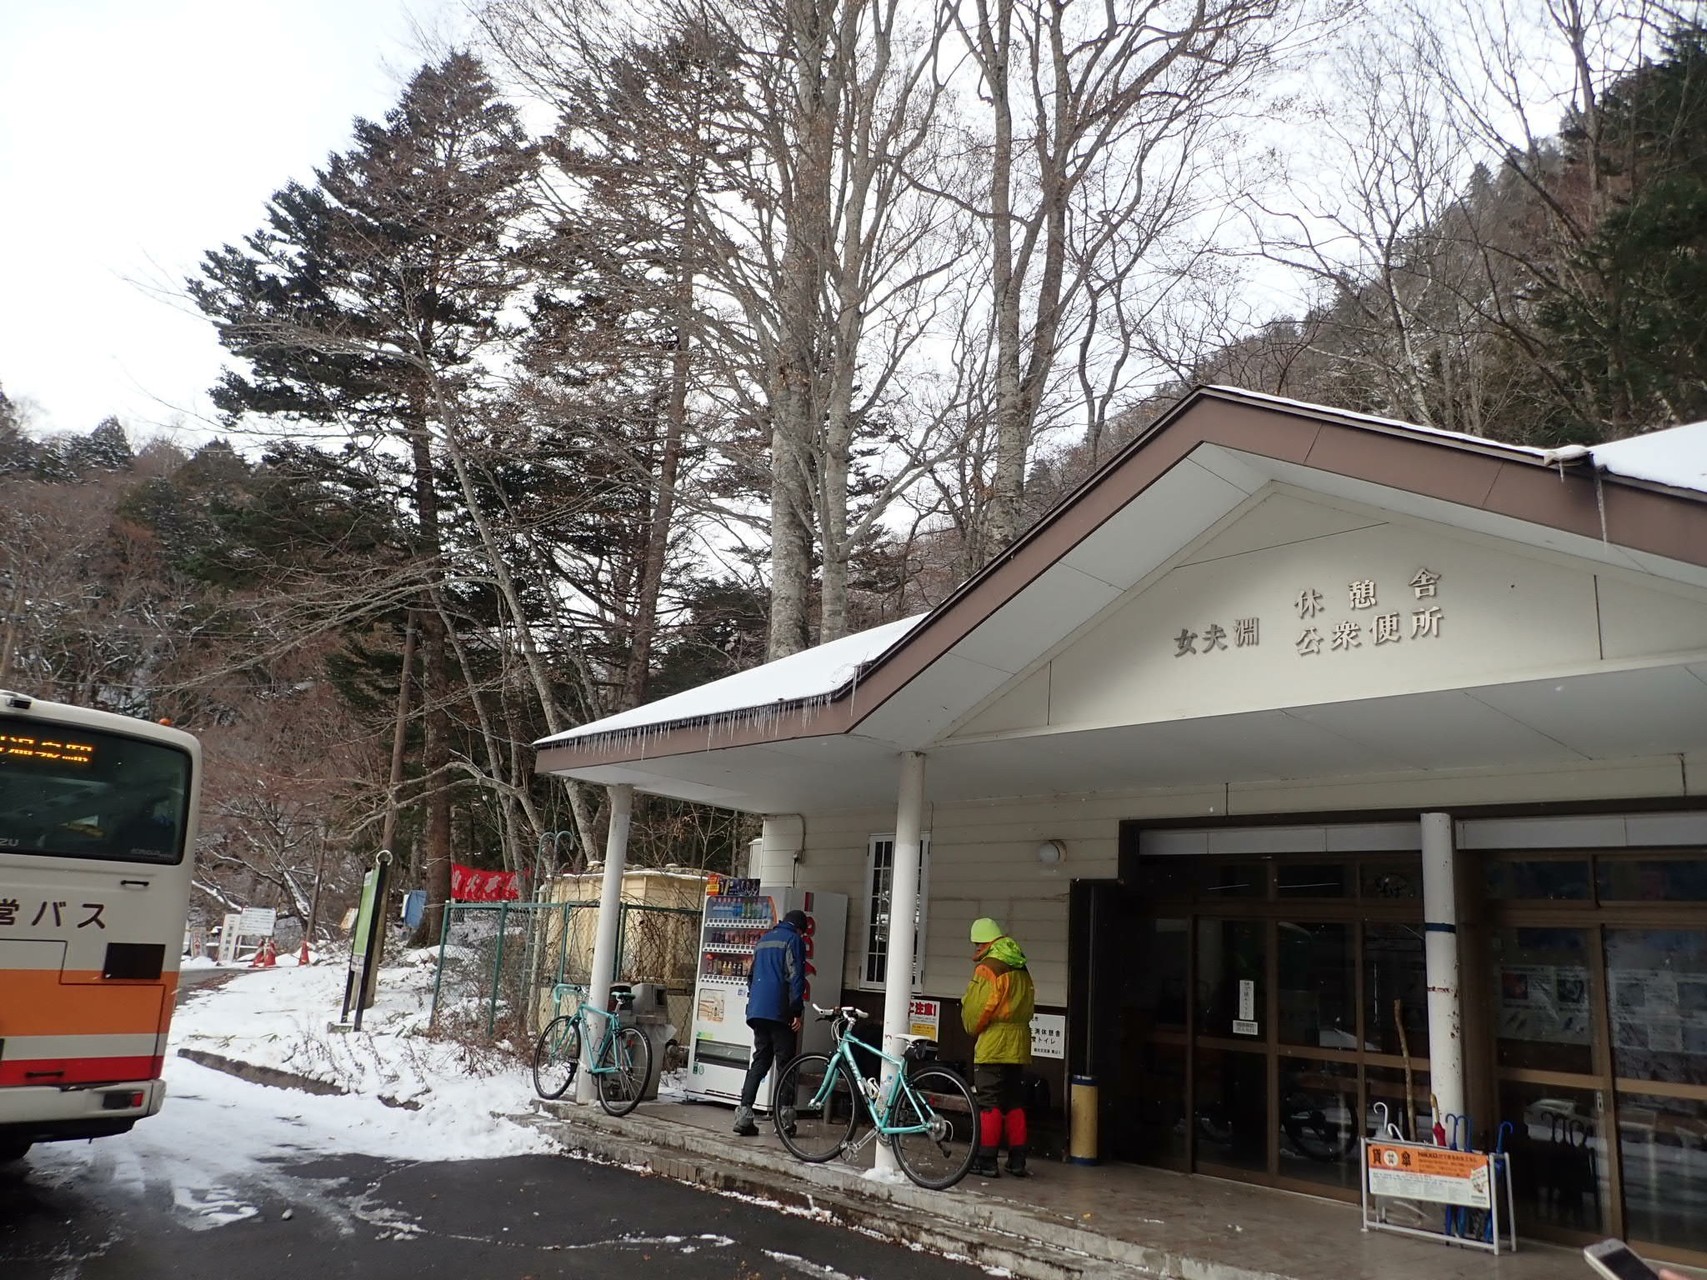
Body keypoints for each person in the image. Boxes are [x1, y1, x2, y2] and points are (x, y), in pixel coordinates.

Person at [961, 916, 1036, 1177]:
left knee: (989, 1102)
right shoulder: (1020, 965)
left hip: (994, 1043)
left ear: (984, 943)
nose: (975, 950)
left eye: (976, 944)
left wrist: (971, 1025)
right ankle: (1017, 1160)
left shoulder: (989, 968)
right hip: (1019, 1043)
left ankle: (986, 1160)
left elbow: (977, 1010)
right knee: (1014, 1102)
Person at [732, 908, 808, 1136]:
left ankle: (744, 1115)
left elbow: (750, 976)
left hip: (757, 1010)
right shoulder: (793, 940)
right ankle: (784, 1120)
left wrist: (757, 1000)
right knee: (786, 1064)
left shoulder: (764, 940)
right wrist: (796, 1010)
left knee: (760, 1061)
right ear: (800, 928)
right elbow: (796, 976)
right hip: (779, 1010)